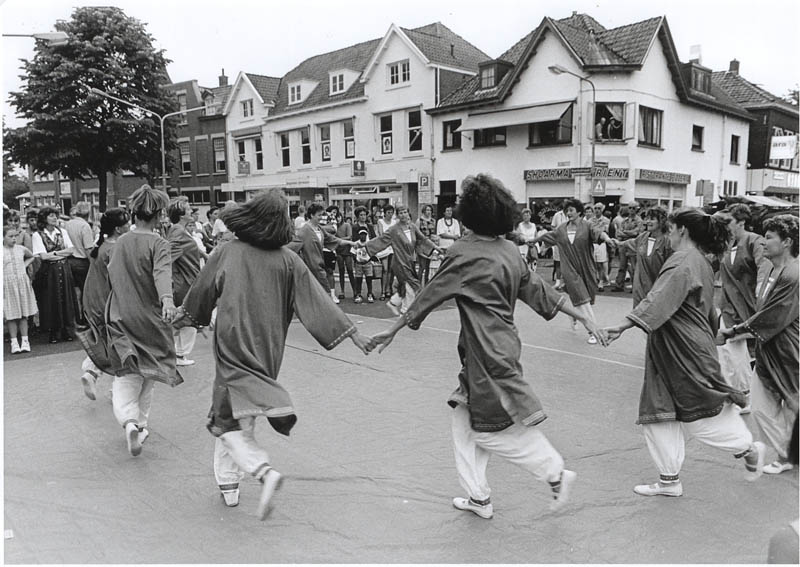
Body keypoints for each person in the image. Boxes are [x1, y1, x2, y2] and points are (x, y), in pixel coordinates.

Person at [371, 174, 609, 520]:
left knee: (487, 432)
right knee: (464, 420)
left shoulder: (463, 252)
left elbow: (428, 295)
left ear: (470, 212)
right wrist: (584, 318)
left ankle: (554, 471)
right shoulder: (510, 250)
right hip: (501, 345)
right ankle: (478, 497)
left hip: (485, 352)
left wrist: (393, 329)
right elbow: (543, 293)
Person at [172, 189, 375, 519]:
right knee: (241, 410)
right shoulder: (287, 260)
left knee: (226, 415)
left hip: (233, 340)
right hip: (267, 346)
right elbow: (317, 301)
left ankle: (260, 471)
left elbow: (202, 291)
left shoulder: (228, 251)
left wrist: (184, 317)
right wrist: (353, 334)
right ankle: (229, 485)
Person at [603, 208, 766, 497]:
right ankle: (669, 480)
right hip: (677, 347)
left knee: (699, 413)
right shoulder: (700, 260)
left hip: (683, 350)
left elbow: (659, 298)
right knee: (661, 412)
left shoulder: (683, 260)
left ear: (683, 231)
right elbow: (705, 308)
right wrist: (714, 335)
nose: (668, 235)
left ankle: (746, 447)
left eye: (671, 229)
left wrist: (624, 325)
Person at [719, 214, 798, 476]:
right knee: (763, 407)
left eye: (770, 237)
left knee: (790, 406)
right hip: (769, 348)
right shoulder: (772, 270)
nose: (763, 242)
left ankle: (787, 455)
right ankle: (788, 454)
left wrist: (732, 331)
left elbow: (771, 316)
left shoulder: (793, 275)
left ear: (787, 242)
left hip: (789, 351)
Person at [106, 184, 181, 457]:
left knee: (125, 373)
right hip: (150, 317)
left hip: (120, 313)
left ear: (134, 213)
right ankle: (140, 424)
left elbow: (111, 273)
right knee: (150, 371)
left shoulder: (120, 242)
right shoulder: (159, 244)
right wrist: (167, 300)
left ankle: (130, 421)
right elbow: (162, 273)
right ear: (159, 215)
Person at [530, 199, 614, 344]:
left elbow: (599, 233)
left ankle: (574, 315)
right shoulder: (561, 228)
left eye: (571, 210)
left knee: (584, 297)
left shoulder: (587, 225)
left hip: (586, 268)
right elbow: (548, 236)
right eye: (567, 211)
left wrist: (607, 239)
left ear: (579, 212)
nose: (568, 213)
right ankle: (593, 332)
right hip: (568, 268)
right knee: (583, 300)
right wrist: (533, 241)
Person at [714, 204, 771, 398]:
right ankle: (737, 394)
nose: (725, 225)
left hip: (750, 307)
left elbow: (765, 266)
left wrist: (761, 288)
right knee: (728, 354)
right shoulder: (724, 245)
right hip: (728, 307)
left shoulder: (754, 241)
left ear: (741, 222)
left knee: (747, 355)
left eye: (729, 222)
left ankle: (746, 395)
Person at [76, 208, 131, 402]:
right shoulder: (115, 249)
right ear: (118, 228)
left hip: (93, 298)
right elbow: (120, 279)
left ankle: (93, 373)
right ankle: (106, 381)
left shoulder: (101, 246)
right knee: (119, 343)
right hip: (107, 301)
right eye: (126, 223)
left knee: (108, 340)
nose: (129, 225)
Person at [361, 204, 443, 316]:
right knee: (413, 285)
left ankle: (394, 303)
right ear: (397, 215)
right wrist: (365, 246)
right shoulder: (393, 230)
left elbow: (423, 239)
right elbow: (381, 240)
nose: (403, 215)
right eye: (400, 213)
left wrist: (436, 247)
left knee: (405, 286)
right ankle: (406, 312)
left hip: (410, 261)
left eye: (405, 212)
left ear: (408, 214)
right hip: (399, 262)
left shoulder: (412, 227)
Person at [288, 203, 355, 304]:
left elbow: (333, 239)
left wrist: (351, 243)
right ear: (311, 215)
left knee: (321, 296)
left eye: (322, 215)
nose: (321, 217)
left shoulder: (319, 228)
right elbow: (293, 247)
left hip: (319, 267)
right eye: (319, 215)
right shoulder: (304, 231)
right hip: (310, 269)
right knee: (318, 297)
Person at [31, 206, 77, 343]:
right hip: (49, 271)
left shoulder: (62, 232)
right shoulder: (38, 235)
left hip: (64, 268)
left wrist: (55, 253)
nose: (55, 218)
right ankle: (53, 331)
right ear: (44, 218)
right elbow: (43, 256)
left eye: (55, 215)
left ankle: (67, 330)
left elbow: (71, 250)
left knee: (66, 298)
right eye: (51, 215)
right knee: (51, 299)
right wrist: (61, 253)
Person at [167, 198, 203, 366]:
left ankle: (179, 354)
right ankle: (176, 353)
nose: (192, 212)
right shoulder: (178, 232)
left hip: (187, 280)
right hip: (184, 282)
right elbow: (168, 256)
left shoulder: (180, 230)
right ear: (181, 215)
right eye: (188, 209)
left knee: (189, 318)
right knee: (187, 318)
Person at [615, 206, 672, 307]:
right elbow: (631, 243)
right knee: (638, 313)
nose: (648, 221)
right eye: (647, 218)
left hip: (657, 290)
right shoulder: (643, 237)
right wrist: (618, 243)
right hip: (640, 289)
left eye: (652, 219)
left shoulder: (668, 242)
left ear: (662, 221)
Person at [4, 225, 38, 354]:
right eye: (10, 236)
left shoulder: (21, 249)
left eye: (15, 236)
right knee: (11, 315)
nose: (14, 239)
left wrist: (24, 265)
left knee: (23, 314)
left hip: (21, 284)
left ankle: (25, 341)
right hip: (8, 285)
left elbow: (31, 256)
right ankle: (14, 342)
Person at [65, 202, 96, 325]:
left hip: (69, 260)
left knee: (73, 292)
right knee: (86, 292)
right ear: (88, 213)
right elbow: (88, 248)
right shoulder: (85, 226)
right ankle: (85, 318)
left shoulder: (67, 224)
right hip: (82, 262)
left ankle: (75, 319)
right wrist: (93, 264)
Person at [350, 206, 380, 304]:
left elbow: (374, 238)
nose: (363, 217)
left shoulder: (370, 226)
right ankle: (358, 293)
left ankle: (370, 293)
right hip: (359, 252)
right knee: (358, 277)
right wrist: (355, 256)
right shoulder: (355, 227)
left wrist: (373, 253)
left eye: (364, 215)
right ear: (357, 216)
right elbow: (353, 240)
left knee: (369, 276)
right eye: (361, 215)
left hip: (368, 253)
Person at [612, 202, 643, 292]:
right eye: (630, 208)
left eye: (633, 208)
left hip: (633, 245)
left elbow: (636, 233)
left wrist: (625, 232)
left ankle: (635, 287)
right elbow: (619, 233)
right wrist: (628, 233)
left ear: (637, 209)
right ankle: (619, 285)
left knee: (633, 268)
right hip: (623, 245)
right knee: (622, 266)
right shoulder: (625, 220)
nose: (631, 210)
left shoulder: (639, 221)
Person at [376, 204, 398, 301]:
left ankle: (389, 288)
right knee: (385, 269)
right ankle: (383, 291)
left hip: (393, 247)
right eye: (388, 212)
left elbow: (396, 234)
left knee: (391, 269)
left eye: (391, 213)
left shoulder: (394, 222)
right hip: (384, 247)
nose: (390, 214)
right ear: (384, 213)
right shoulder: (380, 221)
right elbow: (382, 234)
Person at [334, 209, 356, 300]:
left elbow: (349, 236)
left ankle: (355, 291)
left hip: (347, 250)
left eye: (339, 217)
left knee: (350, 270)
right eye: (336, 217)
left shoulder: (347, 225)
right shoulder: (334, 227)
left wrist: (339, 240)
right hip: (339, 250)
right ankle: (342, 291)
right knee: (341, 271)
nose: (338, 219)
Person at [588, 203, 611, 290]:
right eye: (595, 208)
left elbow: (606, 231)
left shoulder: (606, 220)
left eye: (599, 208)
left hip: (601, 244)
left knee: (601, 263)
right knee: (593, 264)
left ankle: (601, 282)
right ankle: (595, 280)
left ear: (602, 210)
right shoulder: (590, 221)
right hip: (592, 243)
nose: (597, 210)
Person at [416, 204, 438, 284]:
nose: (429, 212)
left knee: (428, 267)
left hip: (430, 244)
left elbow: (434, 232)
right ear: (424, 211)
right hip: (422, 244)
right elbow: (416, 232)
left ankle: (426, 284)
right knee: (422, 266)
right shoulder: (419, 220)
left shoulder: (433, 221)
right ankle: (418, 284)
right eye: (427, 210)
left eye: (430, 210)